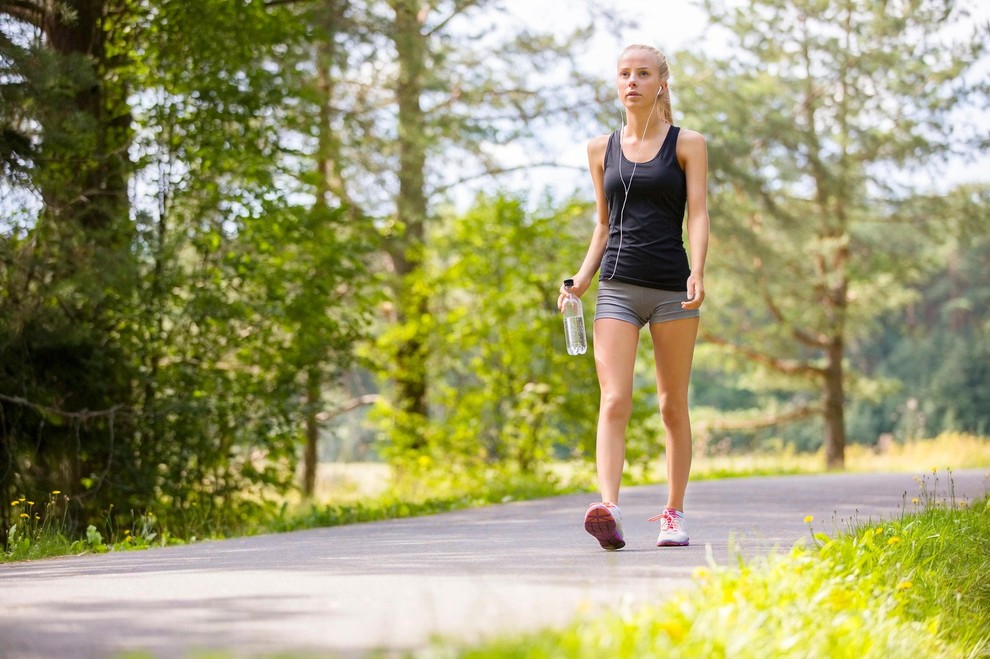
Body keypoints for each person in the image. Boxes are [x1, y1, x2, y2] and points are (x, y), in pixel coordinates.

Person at [558, 44, 709, 550]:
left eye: (643, 74)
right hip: (617, 287)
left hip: (672, 288)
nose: (632, 82)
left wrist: (700, 272)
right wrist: (580, 280)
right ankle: (610, 508)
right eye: (625, 74)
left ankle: (674, 514)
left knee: (671, 406)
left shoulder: (688, 144)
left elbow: (699, 214)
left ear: (660, 83)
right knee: (615, 399)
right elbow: (603, 225)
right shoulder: (600, 149)